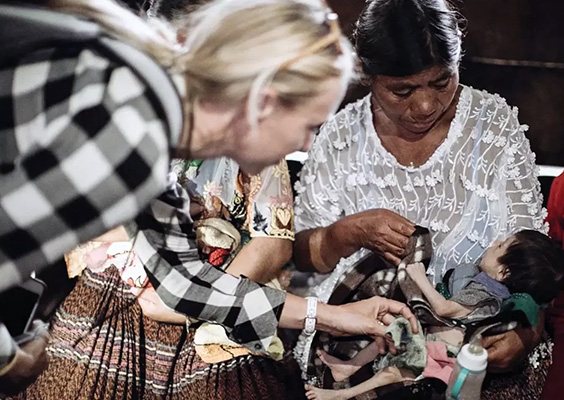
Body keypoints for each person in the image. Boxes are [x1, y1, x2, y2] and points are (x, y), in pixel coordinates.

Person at [0, 0, 418, 396]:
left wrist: (333, 315)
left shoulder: (154, 132)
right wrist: (7, 360)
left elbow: (187, 283)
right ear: (263, 103)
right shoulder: (134, 138)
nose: (307, 146)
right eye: (310, 125)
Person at [292, 0, 550, 397]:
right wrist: (348, 232)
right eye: (403, 90)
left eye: (441, 82)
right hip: (364, 342)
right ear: (368, 76)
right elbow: (301, 258)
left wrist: (526, 333)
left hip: (471, 352)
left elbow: (532, 257)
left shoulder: (493, 126)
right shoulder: (341, 138)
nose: (425, 105)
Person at [304, 230, 564, 400]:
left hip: (443, 351)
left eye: (502, 246)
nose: (494, 242)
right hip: (439, 344)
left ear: (504, 273)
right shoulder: (484, 285)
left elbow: (445, 309)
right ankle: (347, 369)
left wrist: (418, 277)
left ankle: (341, 390)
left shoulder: (486, 293)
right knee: (389, 336)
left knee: (392, 351)